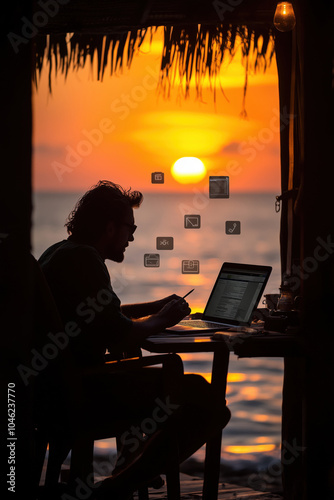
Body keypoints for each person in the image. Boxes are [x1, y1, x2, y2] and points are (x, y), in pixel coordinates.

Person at [38, 180, 230, 498]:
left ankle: (135, 464)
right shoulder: (86, 260)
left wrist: (152, 309)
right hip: (81, 392)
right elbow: (121, 332)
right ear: (111, 227)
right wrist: (164, 320)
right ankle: (119, 485)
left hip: (53, 389)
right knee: (208, 403)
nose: (133, 236)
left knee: (175, 384)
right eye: (131, 227)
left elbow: (101, 316)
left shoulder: (61, 252)